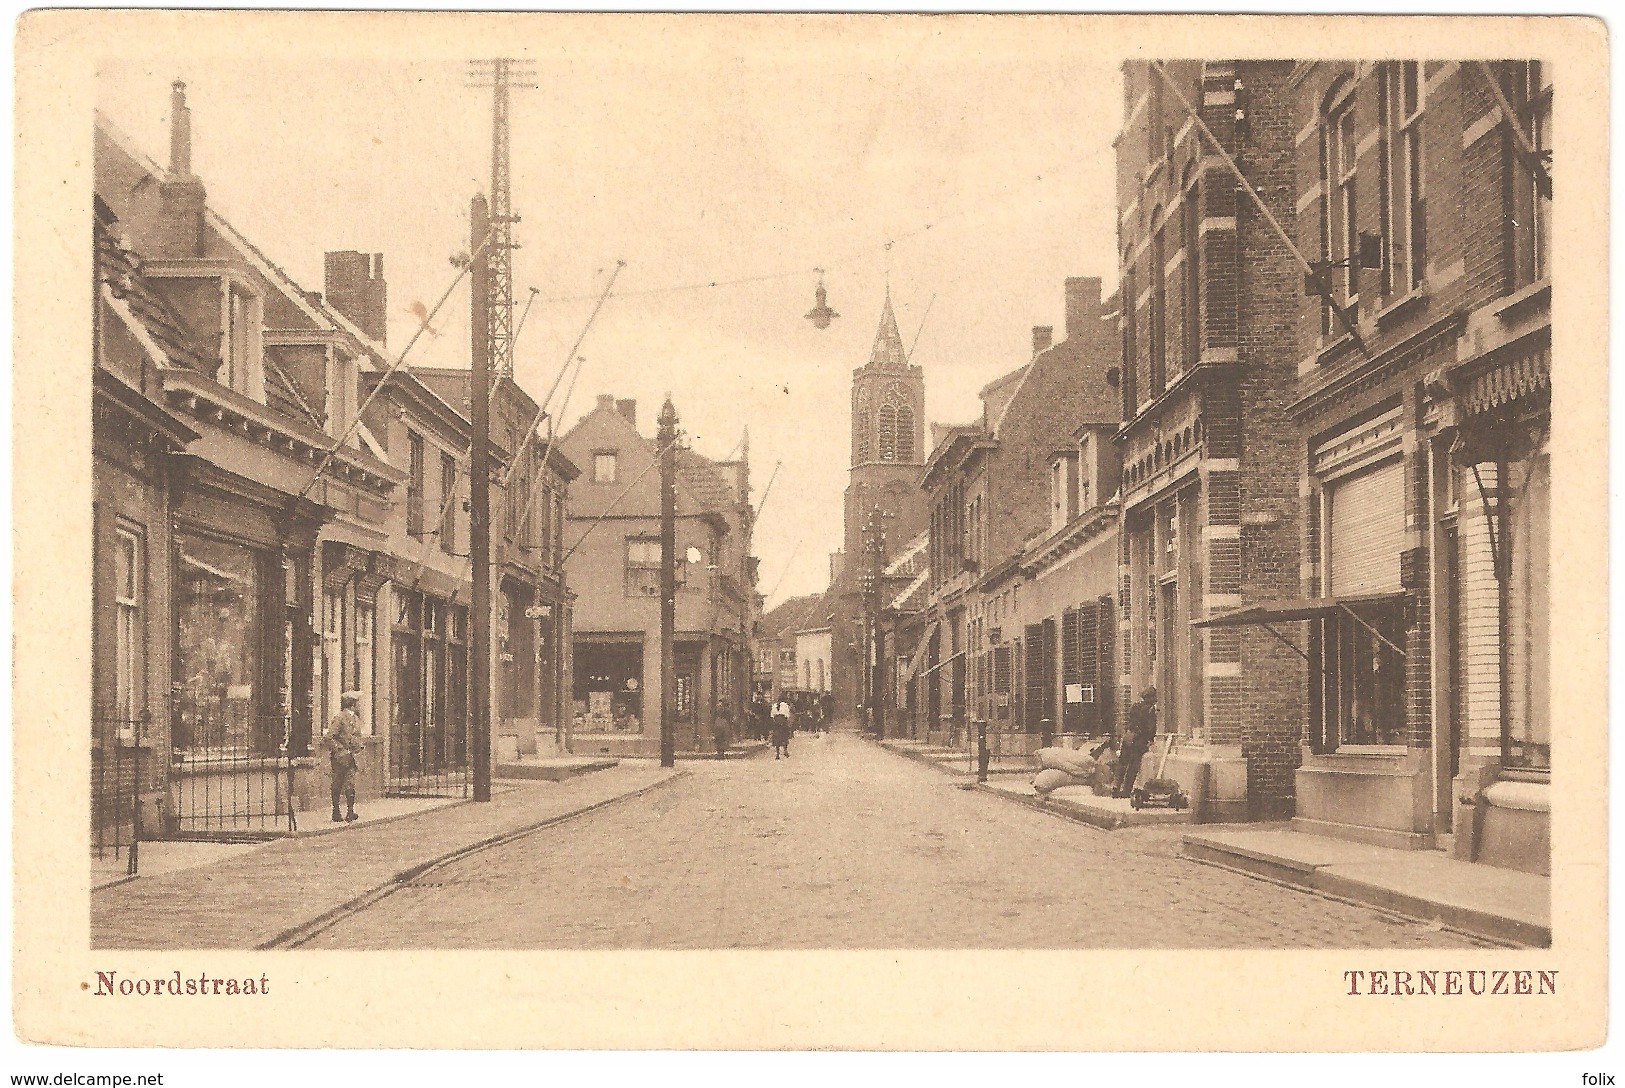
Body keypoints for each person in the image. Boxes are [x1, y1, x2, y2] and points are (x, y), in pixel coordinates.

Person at [325, 692, 367, 822]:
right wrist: (340, 751)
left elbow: (357, 736)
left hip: (352, 757)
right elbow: (329, 737)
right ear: (352, 704)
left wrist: (359, 748)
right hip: (339, 758)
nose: (359, 706)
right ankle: (336, 811)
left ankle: (350, 811)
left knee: (350, 784)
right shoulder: (339, 718)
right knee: (337, 783)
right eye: (357, 703)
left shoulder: (355, 719)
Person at [1113, 687, 1158, 799]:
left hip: (1129, 737)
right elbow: (1150, 728)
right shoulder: (1150, 710)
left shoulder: (1135, 706)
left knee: (1122, 763)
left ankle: (1116, 787)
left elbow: (1130, 722)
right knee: (1133, 766)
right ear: (1150, 698)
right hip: (1139, 741)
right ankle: (1126, 791)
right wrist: (1150, 740)